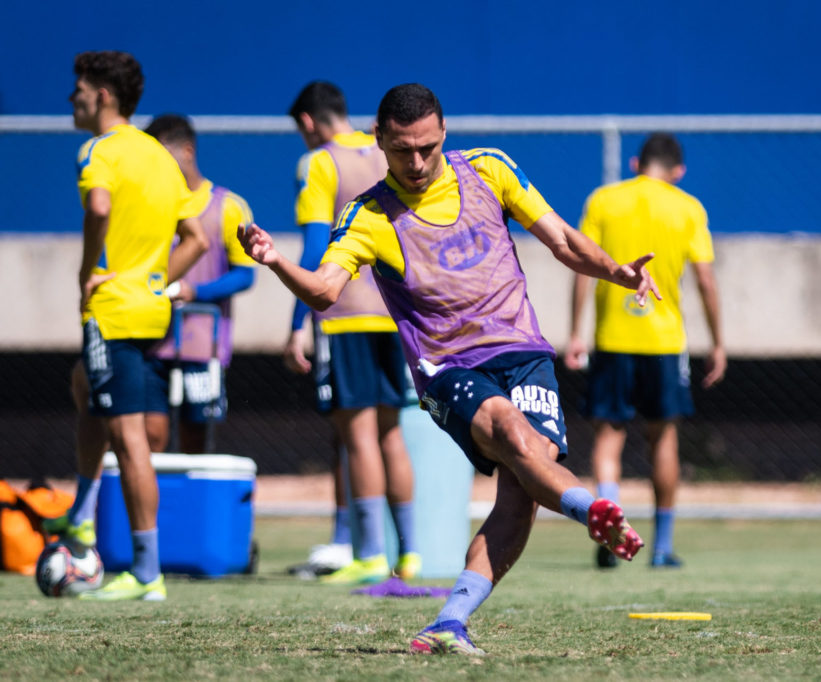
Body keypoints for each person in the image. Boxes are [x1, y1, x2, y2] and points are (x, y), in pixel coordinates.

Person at [239, 83, 654, 655]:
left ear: (444, 135)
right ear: (378, 140)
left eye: (428, 147)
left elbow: (560, 238)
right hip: (448, 368)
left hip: (525, 353)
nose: (417, 162)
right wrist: (275, 259)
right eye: (404, 149)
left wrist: (619, 273)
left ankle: (448, 622)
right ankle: (592, 509)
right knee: (512, 432)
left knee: (520, 492)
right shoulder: (366, 215)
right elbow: (324, 291)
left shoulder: (490, 170)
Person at [44, 51, 209, 601]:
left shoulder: (98, 150)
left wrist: (90, 272)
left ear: (104, 96)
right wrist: (157, 282)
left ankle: (146, 572)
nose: (73, 98)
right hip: (149, 309)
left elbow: (98, 208)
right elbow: (198, 240)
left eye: (80, 89)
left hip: (112, 311)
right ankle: (82, 515)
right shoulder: (160, 156)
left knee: (128, 436)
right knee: (84, 387)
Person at [566, 132, 726, 569]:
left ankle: (611, 531)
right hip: (664, 341)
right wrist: (718, 343)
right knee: (663, 438)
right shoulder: (688, 207)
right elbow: (706, 282)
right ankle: (660, 548)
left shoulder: (603, 200)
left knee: (608, 437)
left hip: (612, 338)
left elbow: (583, 267)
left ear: (635, 163)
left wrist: (575, 332)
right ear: (678, 171)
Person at [282, 81, 419, 584]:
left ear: (307, 122)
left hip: (344, 316)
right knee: (391, 434)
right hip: (396, 311)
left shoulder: (320, 162)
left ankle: (370, 556)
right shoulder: (387, 150)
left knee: (356, 436)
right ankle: (411, 553)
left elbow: (317, 246)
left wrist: (298, 323)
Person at [145, 113, 257, 454]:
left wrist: (197, 292)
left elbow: (245, 274)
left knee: (196, 437)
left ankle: (188, 505)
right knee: (151, 435)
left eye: (162, 156)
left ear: (187, 151)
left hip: (202, 345)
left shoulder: (228, 206)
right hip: (151, 340)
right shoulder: (149, 204)